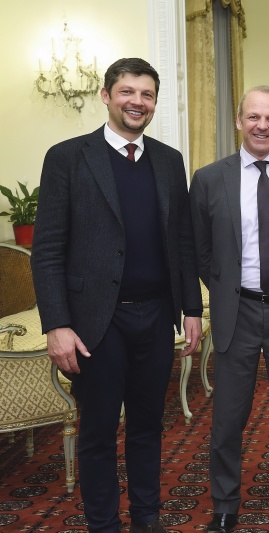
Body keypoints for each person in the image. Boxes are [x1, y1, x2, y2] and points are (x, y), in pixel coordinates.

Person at [31, 57, 202, 533]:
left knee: (149, 428)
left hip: (155, 317)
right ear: (106, 95)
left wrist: (191, 308)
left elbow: (182, 241)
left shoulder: (169, 161)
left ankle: (147, 520)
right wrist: (56, 325)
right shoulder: (67, 157)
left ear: (154, 104)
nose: (137, 102)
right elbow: (45, 251)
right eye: (128, 92)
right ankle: (103, 524)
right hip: (94, 325)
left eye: (147, 95)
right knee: (99, 433)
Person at [190, 86, 269, 533]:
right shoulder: (209, 178)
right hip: (238, 312)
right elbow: (200, 249)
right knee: (227, 418)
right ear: (239, 121)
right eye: (253, 117)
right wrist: (225, 290)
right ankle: (225, 505)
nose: (262, 125)